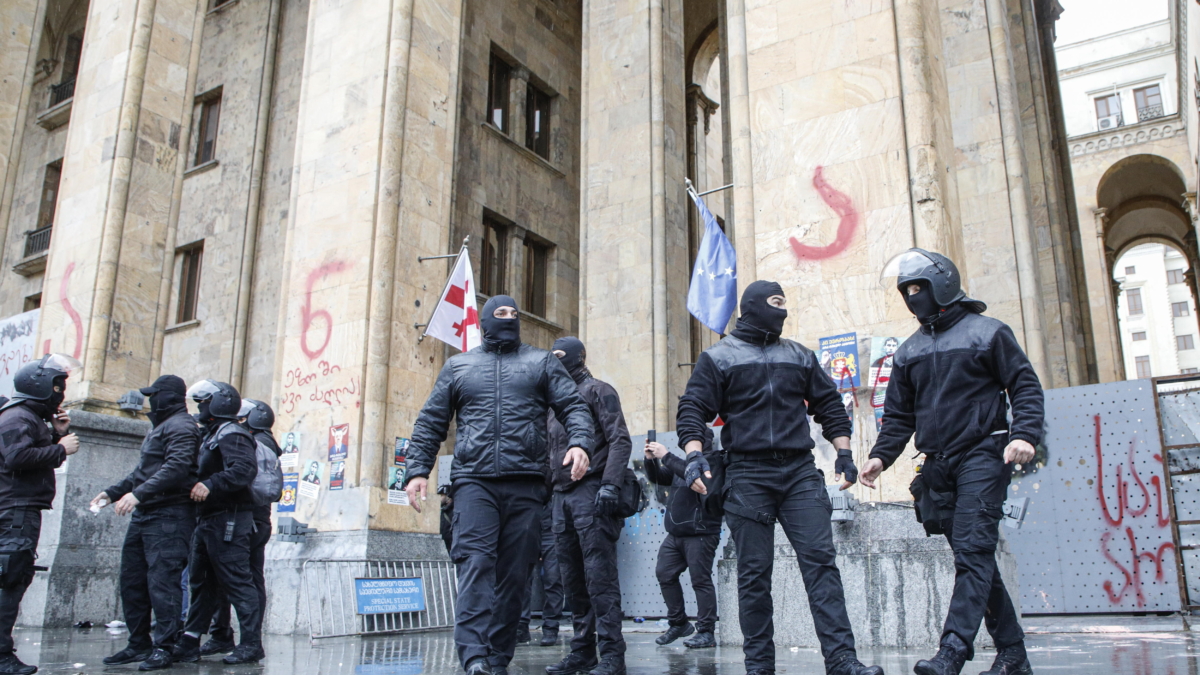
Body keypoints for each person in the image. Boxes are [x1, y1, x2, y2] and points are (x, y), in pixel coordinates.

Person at [675, 281, 883, 675]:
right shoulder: (718, 357)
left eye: (785, 304)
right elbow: (693, 409)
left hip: (799, 473)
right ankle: (759, 667)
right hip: (747, 474)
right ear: (752, 307)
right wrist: (693, 457)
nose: (783, 312)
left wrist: (844, 453)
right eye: (775, 304)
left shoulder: (799, 355)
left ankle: (842, 661)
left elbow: (829, 406)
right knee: (754, 574)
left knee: (821, 563)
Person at [861, 249, 1043, 675]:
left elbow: (1025, 387)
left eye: (918, 287)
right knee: (972, 554)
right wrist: (879, 457)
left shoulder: (989, 333)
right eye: (906, 290)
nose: (912, 296)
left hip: (984, 453)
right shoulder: (908, 352)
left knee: (974, 550)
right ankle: (1013, 653)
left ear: (942, 284)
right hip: (938, 465)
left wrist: (1024, 436)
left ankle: (953, 651)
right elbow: (900, 415)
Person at [404, 296, 594, 675]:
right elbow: (430, 423)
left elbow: (573, 407)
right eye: (500, 314)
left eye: (513, 314)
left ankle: (497, 657)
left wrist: (579, 442)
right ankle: (473, 656)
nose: (508, 319)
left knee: (514, 575)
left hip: (525, 484)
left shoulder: (540, 362)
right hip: (474, 482)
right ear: (486, 320)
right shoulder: (459, 367)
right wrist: (416, 471)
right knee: (475, 563)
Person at [95, 375, 201, 671]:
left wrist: (138, 495)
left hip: (170, 515)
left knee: (162, 582)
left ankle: (164, 646)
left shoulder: (181, 426)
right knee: (133, 581)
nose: (149, 400)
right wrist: (112, 493)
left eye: (153, 395)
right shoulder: (162, 427)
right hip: (148, 514)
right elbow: (142, 472)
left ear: (167, 397)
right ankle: (138, 643)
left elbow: (178, 467)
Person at [545, 336, 632, 675]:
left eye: (560, 355)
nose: (555, 360)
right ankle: (582, 651)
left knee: (600, 578)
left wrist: (610, 484)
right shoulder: (554, 406)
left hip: (592, 492)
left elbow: (619, 439)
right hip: (561, 499)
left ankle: (612, 655)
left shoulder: (599, 390)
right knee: (572, 580)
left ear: (579, 357)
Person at [172, 380, 264, 665]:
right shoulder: (213, 433)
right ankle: (191, 639)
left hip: (229, 519)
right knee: (200, 580)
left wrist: (211, 483)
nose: (199, 407)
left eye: (203, 402)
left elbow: (244, 469)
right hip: (209, 518)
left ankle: (251, 643)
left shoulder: (232, 433)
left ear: (217, 404)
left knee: (237, 581)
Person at [0, 354, 80, 675]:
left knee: (12, 579)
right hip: (15, 512)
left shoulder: (28, 417)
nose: (60, 392)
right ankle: (2, 656)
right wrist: (62, 448)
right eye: (57, 385)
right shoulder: (17, 417)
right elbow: (17, 457)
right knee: (11, 581)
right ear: (41, 385)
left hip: (20, 509)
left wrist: (55, 434)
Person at [200, 399, 281, 657]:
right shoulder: (259, 440)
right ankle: (227, 635)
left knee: (239, 580)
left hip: (248, 520)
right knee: (239, 579)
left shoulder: (257, 441)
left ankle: (246, 640)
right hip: (253, 520)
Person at [644, 429, 721, 649]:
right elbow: (660, 477)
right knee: (664, 573)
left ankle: (706, 632)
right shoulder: (684, 465)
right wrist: (651, 461)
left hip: (701, 533)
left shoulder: (711, 462)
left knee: (700, 581)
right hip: (676, 534)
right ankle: (679, 624)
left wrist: (666, 455)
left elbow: (692, 475)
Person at [516, 501, 564, 647]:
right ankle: (521, 627)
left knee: (553, 578)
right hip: (528, 520)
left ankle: (550, 627)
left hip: (551, 523)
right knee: (520, 578)